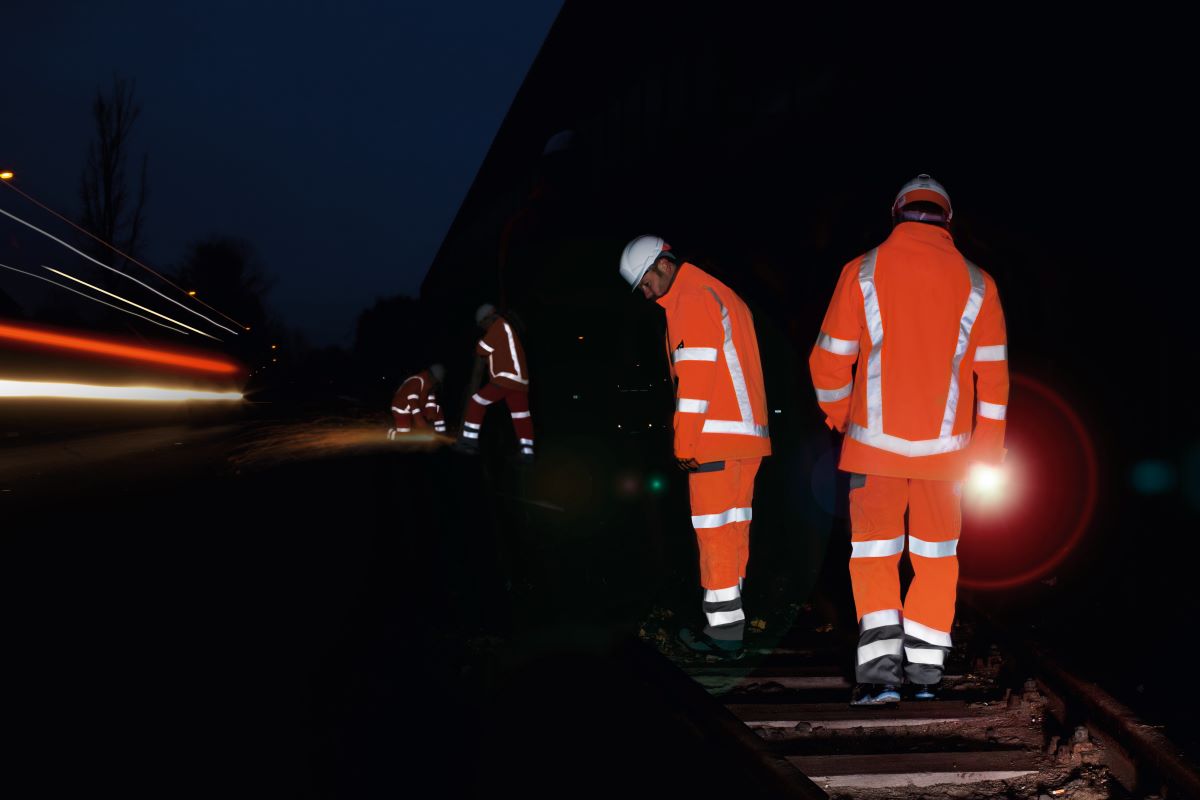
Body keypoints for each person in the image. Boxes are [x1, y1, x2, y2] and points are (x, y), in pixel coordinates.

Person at [808, 174, 1009, 705]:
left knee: (874, 556)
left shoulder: (862, 271)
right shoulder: (979, 283)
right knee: (937, 559)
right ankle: (924, 678)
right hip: (947, 457)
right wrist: (984, 451)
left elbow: (829, 361)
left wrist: (840, 418)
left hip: (874, 449)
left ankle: (879, 682)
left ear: (897, 212)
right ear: (947, 218)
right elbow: (993, 379)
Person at [619, 235, 772, 659]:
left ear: (663, 265)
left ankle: (723, 635)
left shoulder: (689, 298)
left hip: (714, 437)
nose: (647, 295)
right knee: (734, 530)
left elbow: (695, 377)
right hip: (746, 436)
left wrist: (684, 440)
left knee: (714, 534)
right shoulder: (720, 292)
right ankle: (732, 624)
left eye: (646, 284)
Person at [456, 303, 535, 463]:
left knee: (477, 402)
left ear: (487, 318)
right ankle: (527, 453)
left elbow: (482, 349)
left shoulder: (498, 326)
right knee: (521, 416)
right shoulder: (505, 328)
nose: (483, 328)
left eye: (482, 324)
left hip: (506, 379)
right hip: (519, 382)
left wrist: (479, 343)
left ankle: (468, 443)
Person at [388, 364, 446, 439]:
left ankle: (440, 435)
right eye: (436, 381)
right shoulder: (416, 381)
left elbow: (431, 404)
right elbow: (413, 405)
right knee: (403, 438)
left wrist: (431, 420)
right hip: (401, 408)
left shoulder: (430, 386)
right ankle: (390, 433)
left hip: (416, 407)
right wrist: (423, 425)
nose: (436, 384)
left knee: (437, 409)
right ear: (432, 377)